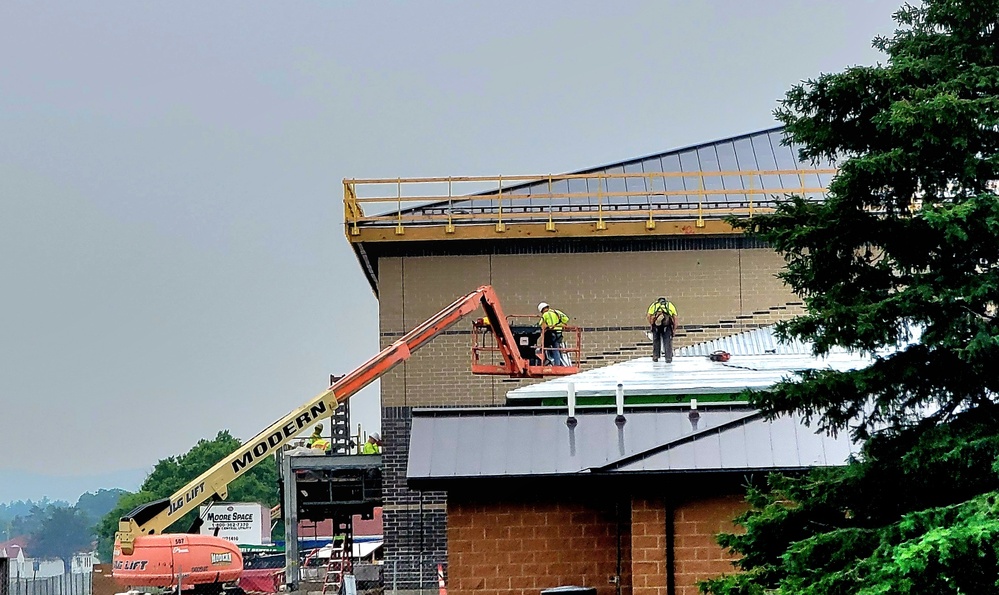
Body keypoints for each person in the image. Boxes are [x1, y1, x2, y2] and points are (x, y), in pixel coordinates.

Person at [647, 297, 678, 363]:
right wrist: (674, 329)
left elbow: (648, 315)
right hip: (667, 326)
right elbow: (675, 318)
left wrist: (651, 324)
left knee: (656, 341)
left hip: (656, 326)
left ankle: (655, 356)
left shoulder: (654, 305)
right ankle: (668, 358)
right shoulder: (669, 305)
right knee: (667, 341)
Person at [537, 302, 567, 366]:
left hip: (551, 333)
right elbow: (566, 319)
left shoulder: (545, 314)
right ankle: (558, 364)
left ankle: (547, 362)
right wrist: (558, 324)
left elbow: (539, 324)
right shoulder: (556, 312)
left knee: (545, 347)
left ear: (542, 309)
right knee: (556, 349)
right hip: (559, 333)